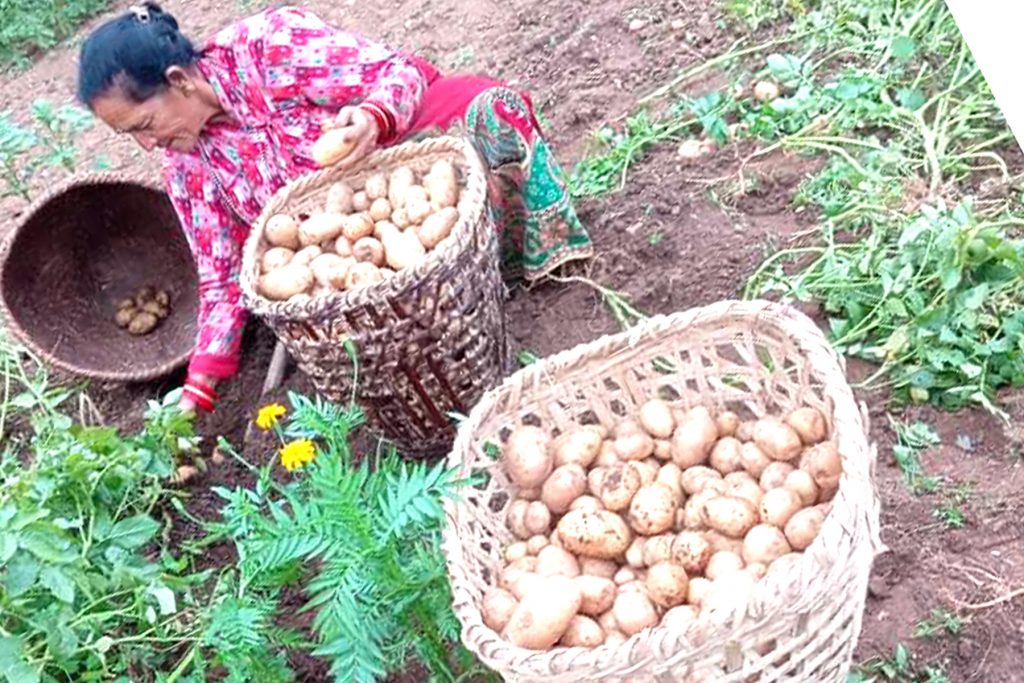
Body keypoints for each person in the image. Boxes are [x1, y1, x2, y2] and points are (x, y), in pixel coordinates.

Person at [77, 3, 593, 414]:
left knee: (490, 108)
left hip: (401, 169)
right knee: (366, 325)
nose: (149, 145)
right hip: (341, 258)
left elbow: (398, 74)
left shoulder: (270, 46)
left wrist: (371, 117)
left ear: (179, 81)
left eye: (143, 125)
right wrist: (199, 387)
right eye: (133, 138)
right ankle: (443, 311)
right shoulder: (186, 165)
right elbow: (219, 277)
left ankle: (505, 260)